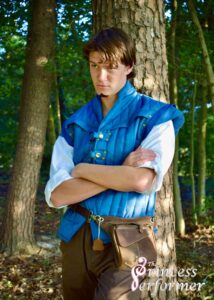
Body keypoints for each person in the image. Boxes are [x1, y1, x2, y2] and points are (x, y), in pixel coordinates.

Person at [45, 27, 184, 300]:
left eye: (110, 67)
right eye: (94, 66)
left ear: (129, 66)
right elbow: (57, 195)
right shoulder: (76, 124)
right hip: (77, 236)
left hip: (130, 239)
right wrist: (122, 166)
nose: (101, 76)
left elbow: (142, 181)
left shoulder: (156, 118)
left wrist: (82, 170)